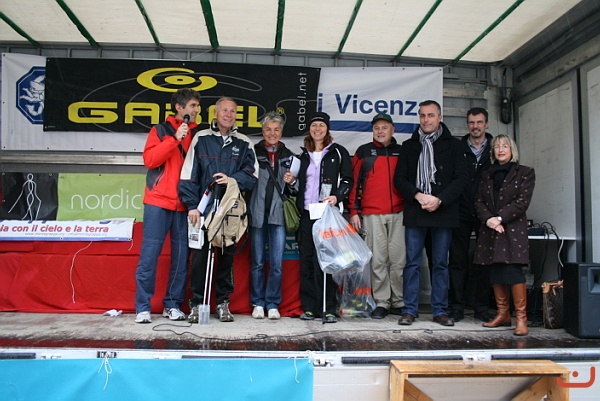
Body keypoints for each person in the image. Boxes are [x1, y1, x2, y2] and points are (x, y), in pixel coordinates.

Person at [179, 96, 257, 323]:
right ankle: (197, 304)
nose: (228, 115)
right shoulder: (201, 138)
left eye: (232, 111)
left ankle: (223, 303)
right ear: (215, 113)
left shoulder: (244, 142)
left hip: (230, 211)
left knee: (226, 259)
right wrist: (192, 206)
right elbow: (189, 173)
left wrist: (232, 180)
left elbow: (252, 174)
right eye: (224, 110)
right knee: (199, 259)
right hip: (203, 210)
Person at [394, 100, 469, 327]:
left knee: (440, 263)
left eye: (430, 115)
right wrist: (418, 195)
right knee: (412, 263)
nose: (426, 120)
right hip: (416, 209)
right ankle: (409, 310)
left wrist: (440, 199)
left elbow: (462, 179)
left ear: (440, 117)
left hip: (443, 210)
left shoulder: (455, 146)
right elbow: (399, 179)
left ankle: (439, 310)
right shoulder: (409, 146)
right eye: (422, 116)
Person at [134, 88, 200, 324]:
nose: (196, 110)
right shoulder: (160, 130)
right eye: (192, 106)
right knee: (149, 256)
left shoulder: (199, 134)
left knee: (181, 260)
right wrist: (175, 139)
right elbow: (150, 160)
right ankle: (143, 307)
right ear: (179, 108)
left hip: (185, 206)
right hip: (158, 202)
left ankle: (172, 305)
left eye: (197, 106)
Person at [283, 112, 353, 323]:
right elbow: (296, 189)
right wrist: (291, 182)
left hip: (327, 215)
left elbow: (348, 180)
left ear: (327, 129)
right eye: (314, 125)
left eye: (321, 125)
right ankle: (310, 307)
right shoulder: (302, 156)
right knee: (306, 260)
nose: (317, 129)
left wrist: (337, 196)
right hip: (306, 214)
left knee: (326, 261)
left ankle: (328, 308)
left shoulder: (338, 152)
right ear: (310, 129)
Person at [473, 134, 535, 336]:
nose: (500, 150)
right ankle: (503, 314)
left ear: (512, 150)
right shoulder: (487, 174)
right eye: (497, 146)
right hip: (491, 230)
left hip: (512, 230)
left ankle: (521, 318)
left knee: (514, 272)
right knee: (495, 271)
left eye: (505, 146)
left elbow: (522, 202)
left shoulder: (525, 172)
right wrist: (489, 220)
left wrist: (499, 219)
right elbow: (479, 201)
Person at [348, 113, 405, 319]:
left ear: (393, 130)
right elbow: (354, 183)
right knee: (378, 261)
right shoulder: (364, 152)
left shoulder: (402, 151)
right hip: (372, 213)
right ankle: (382, 302)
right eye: (377, 128)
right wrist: (353, 211)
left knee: (399, 260)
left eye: (384, 127)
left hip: (399, 212)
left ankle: (399, 301)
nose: (380, 131)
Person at [248, 112, 296, 320]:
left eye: (276, 129)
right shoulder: (252, 152)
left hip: (278, 215)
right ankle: (258, 303)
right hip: (257, 213)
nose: (272, 133)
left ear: (281, 132)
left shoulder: (290, 155)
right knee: (257, 262)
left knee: (276, 263)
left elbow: (296, 189)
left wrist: (293, 181)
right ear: (262, 131)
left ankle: (273, 303)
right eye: (268, 129)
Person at [447, 107, 493, 322]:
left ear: (486, 124)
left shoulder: (495, 148)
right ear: (467, 124)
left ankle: (481, 307)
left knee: (484, 262)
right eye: (472, 122)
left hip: (486, 213)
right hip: (460, 210)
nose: (475, 126)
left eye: (479, 122)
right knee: (457, 261)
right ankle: (457, 306)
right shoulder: (457, 147)